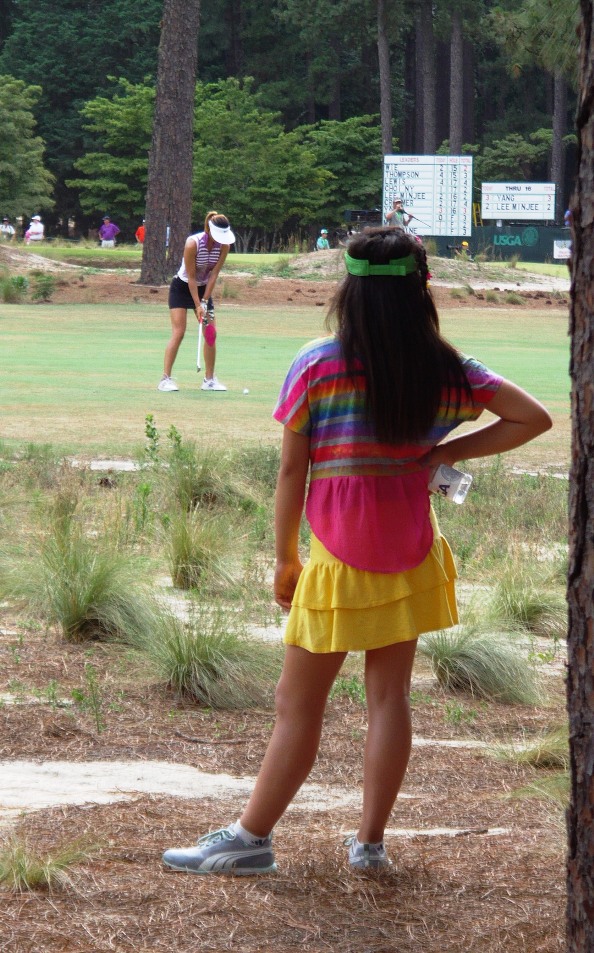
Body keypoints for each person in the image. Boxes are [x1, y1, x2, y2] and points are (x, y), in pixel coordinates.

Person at [162, 227, 552, 876]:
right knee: (389, 699)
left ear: (348, 289)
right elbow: (532, 417)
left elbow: (293, 472)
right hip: (411, 552)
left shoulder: (317, 364)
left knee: (297, 705)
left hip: (339, 560)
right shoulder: (447, 369)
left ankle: (251, 839)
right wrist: (444, 451)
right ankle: (369, 845)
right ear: (422, 288)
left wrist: (285, 557)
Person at [158, 210, 235, 393]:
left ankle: (209, 380)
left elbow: (214, 275)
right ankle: (165, 379)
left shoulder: (224, 246)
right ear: (209, 229)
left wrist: (205, 301)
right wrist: (198, 305)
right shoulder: (192, 243)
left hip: (203, 289)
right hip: (182, 287)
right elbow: (191, 277)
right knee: (179, 332)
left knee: (210, 333)